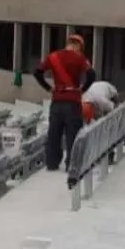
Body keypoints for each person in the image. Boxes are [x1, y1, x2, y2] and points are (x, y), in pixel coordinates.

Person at [33, 34, 97, 171]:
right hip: (73, 102)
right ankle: (71, 165)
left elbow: (37, 72)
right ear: (79, 46)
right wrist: (82, 89)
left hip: (57, 101)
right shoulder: (80, 58)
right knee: (73, 135)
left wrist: (49, 88)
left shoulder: (53, 56)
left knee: (54, 133)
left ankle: (52, 163)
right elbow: (92, 74)